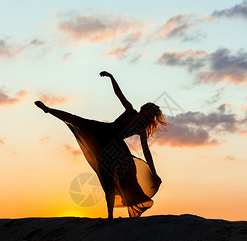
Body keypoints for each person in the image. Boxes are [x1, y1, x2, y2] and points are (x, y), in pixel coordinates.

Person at [35, 71, 166, 218]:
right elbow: (119, 94)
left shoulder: (141, 130)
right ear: (142, 110)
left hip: (117, 148)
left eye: (151, 116)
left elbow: (146, 151)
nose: (147, 117)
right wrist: (111, 77)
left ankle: (121, 214)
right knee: (79, 121)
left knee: (125, 179)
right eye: (147, 113)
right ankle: (48, 109)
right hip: (104, 133)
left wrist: (154, 173)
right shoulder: (130, 110)